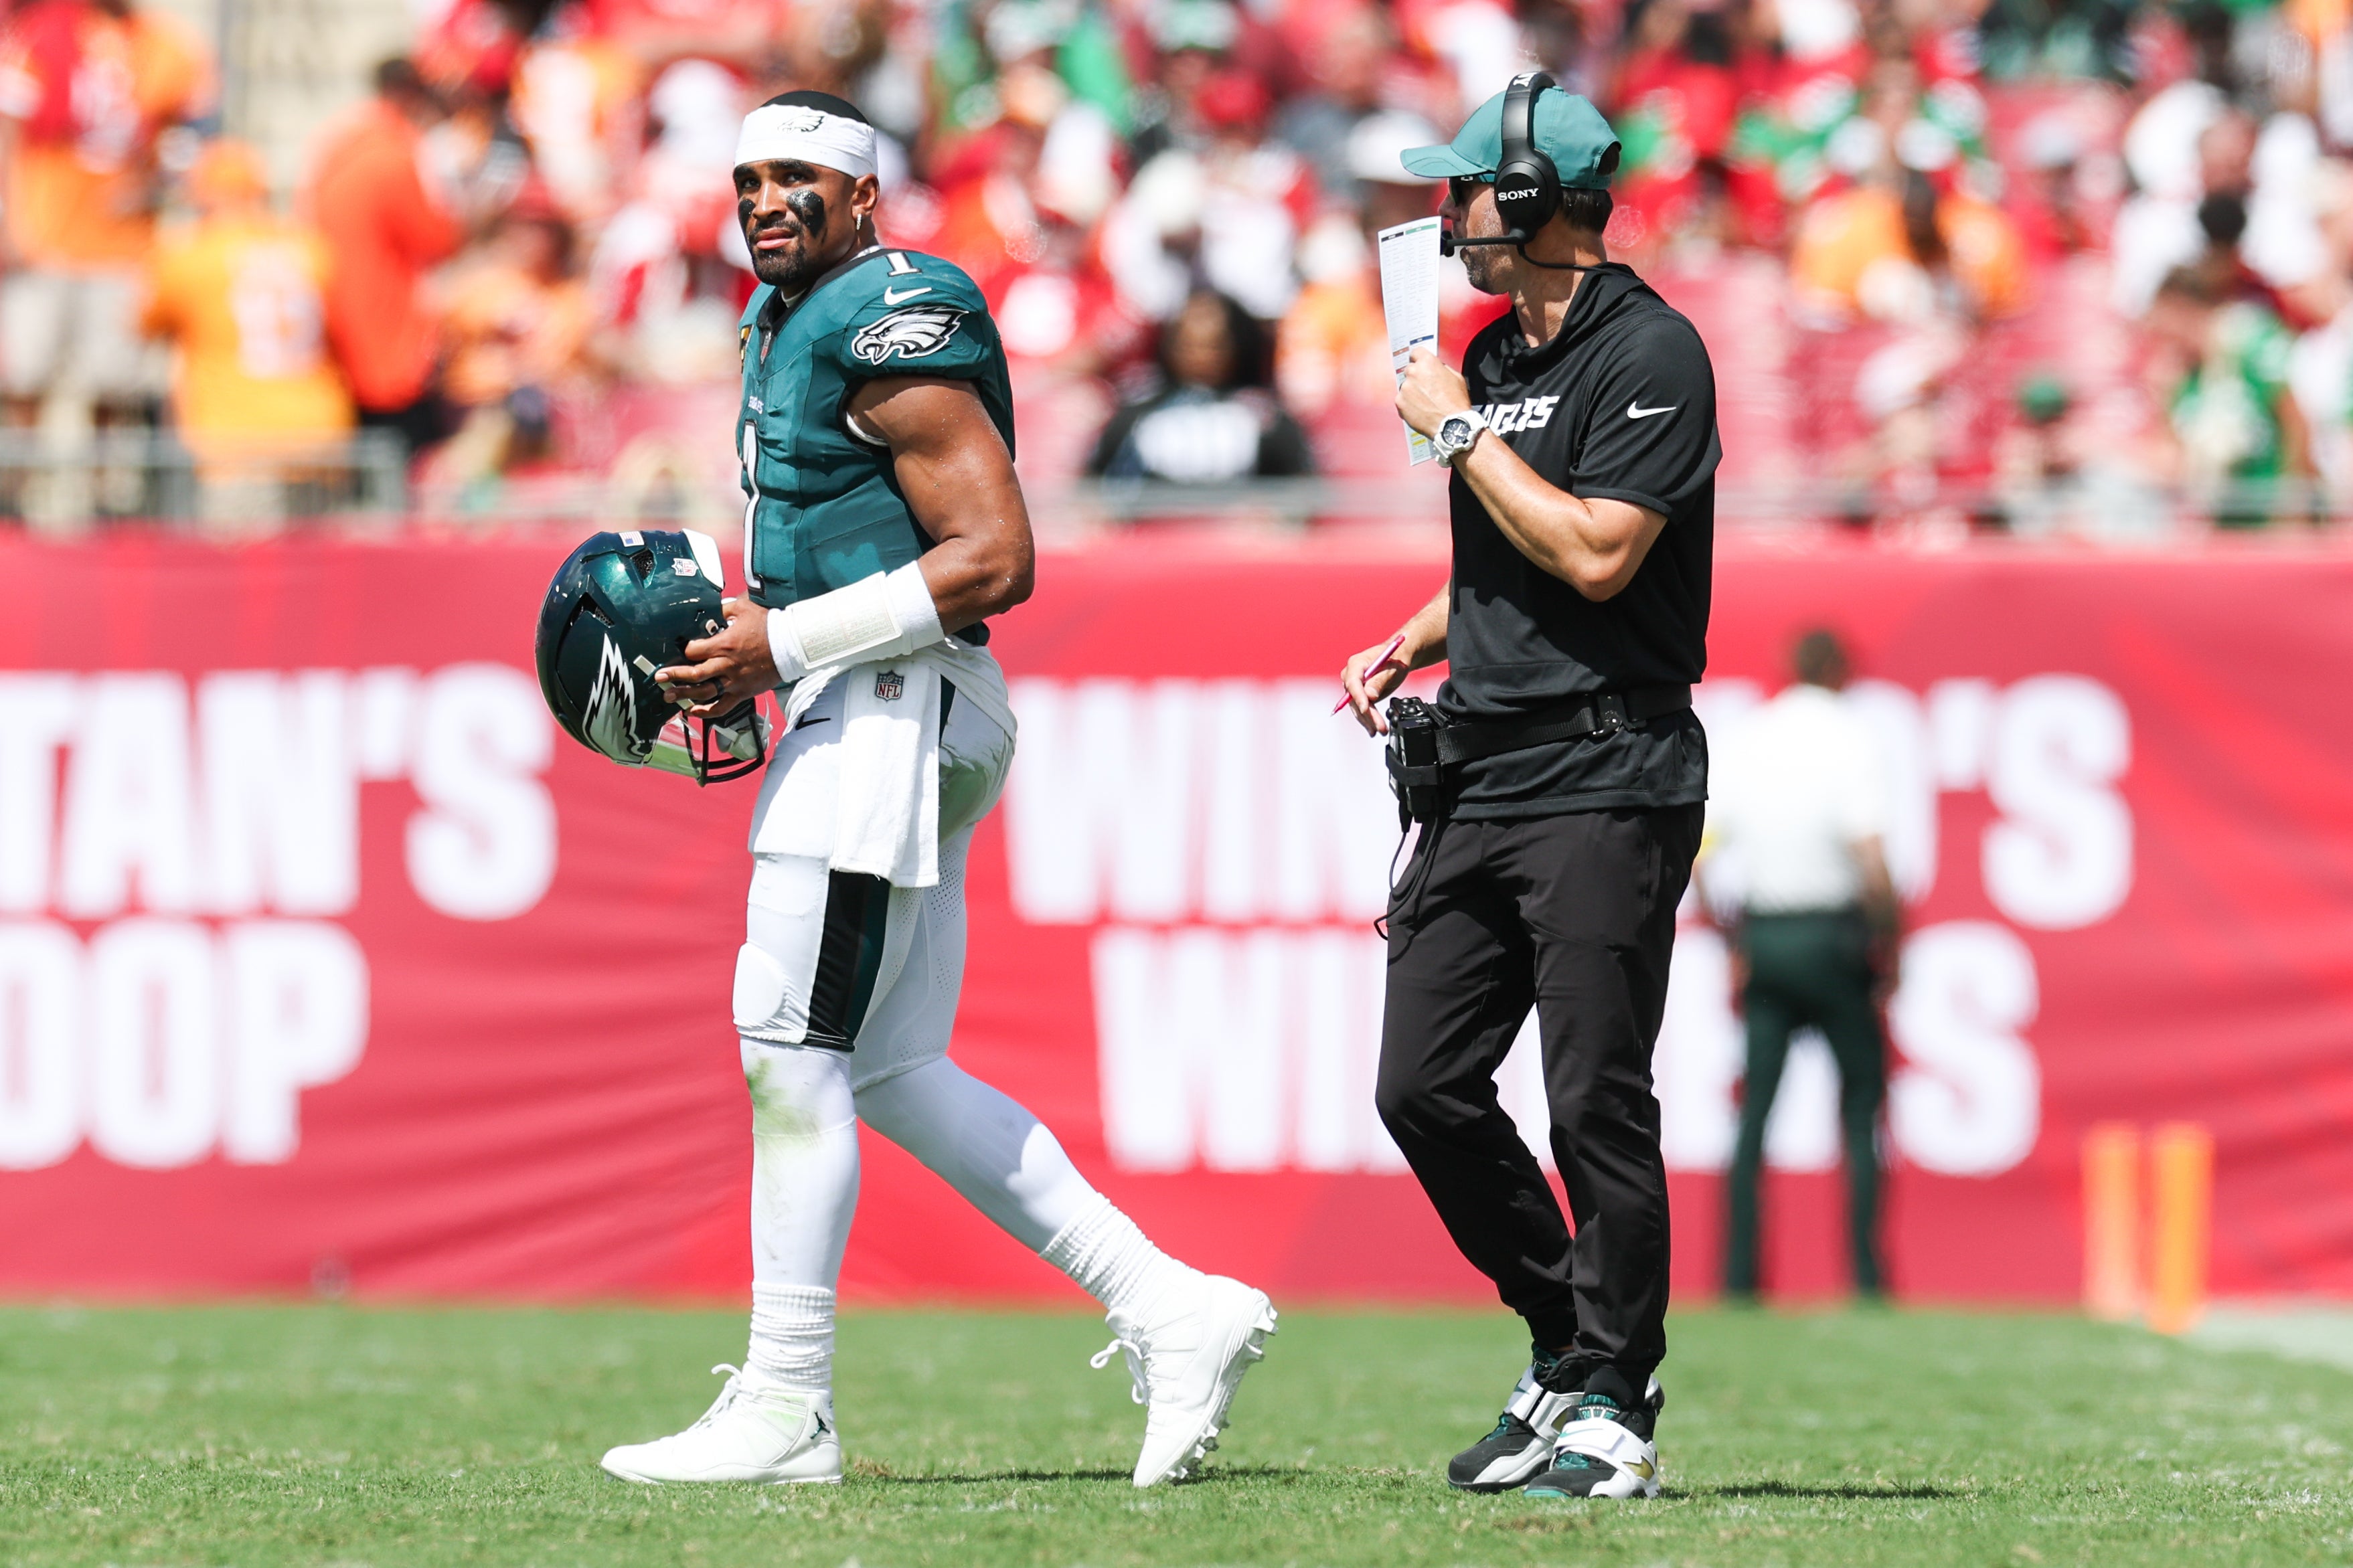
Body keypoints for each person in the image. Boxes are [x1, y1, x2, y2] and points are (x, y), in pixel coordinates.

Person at [604, 90, 1276, 1490]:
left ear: (863, 194)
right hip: (886, 700)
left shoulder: (888, 314)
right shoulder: (790, 317)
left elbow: (993, 553)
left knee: (787, 1048)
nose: (768, 198)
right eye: (750, 178)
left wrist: (778, 644)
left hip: (889, 703)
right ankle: (1170, 1303)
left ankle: (786, 1401)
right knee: (891, 1069)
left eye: (800, 176)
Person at [1339, 74, 1719, 1501]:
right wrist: (1412, 633)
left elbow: (1598, 553)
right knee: (1421, 1085)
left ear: (1532, 202)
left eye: (1465, 191)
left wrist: (1448, 429)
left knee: (1590, 1097)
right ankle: (1564, 1337)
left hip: (1607, 764)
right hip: (1484, 764)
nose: (1447, 216)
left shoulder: (1655, 351)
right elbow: (1507, 552)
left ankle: (1616, 1396)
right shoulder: (1493, 357)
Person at [1696, 628, 1897, 1302]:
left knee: (1753, 1115)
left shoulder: (1751, 734)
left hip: (1765, 937)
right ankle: (1866, 1277)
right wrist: (1889, 945)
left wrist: (1730, 943)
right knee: (1861, 1108)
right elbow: (1869, 857)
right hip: (1832, 938)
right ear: (1840, 671)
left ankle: (1738, 1278)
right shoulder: (1851, 735)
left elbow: (1702, 855)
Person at [139, 140, 352, 522]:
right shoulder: (313, 250)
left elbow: (144, 321)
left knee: (244, 573)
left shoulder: (192, 257)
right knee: (316, 571)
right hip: (319, 433)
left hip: (235, 442)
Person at [307, 58, 465, 456]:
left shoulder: (339, 146)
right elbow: (437, 239)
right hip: (390, 331)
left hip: (341, 320)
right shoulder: (395, 153)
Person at [1088, 288, 1313, 483]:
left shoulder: (1265, 417)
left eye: (1213, 346)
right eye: (1190, 346)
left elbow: (1299, 488)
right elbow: (1098, 487)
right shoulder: (1137, 414)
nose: (1201, 358)